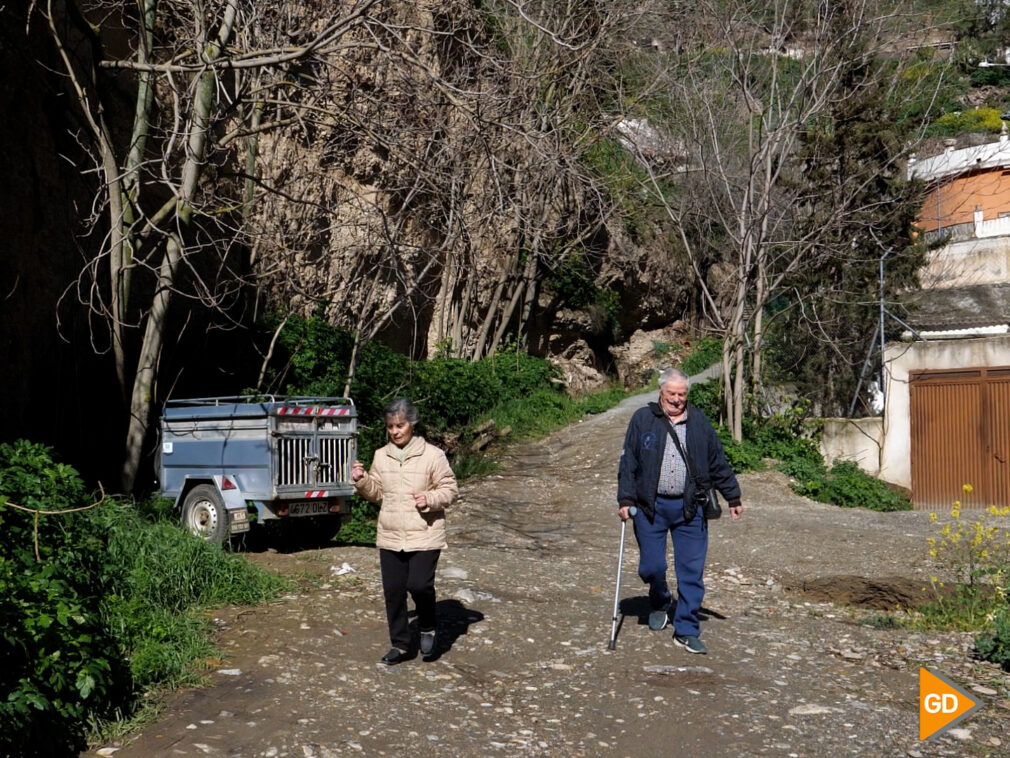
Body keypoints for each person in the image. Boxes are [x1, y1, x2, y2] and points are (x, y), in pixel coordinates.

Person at [617, 367, 743, 654]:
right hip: (651, 507)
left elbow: (717, 462)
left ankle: (685, 628)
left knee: (691, 570)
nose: (677, 399)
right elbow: (629, 464)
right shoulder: (643, 419)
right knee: (652, 566)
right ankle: (660, 598)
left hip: (691, 507)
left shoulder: (699, 422)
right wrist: (626, 500)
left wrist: (733, 497)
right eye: (671, 393)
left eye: (682, 394)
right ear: (661, 392)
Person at [351, 398, 459, 664]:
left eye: (399, 425)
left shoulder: (433, 455)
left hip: (425, 532)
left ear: (411, 424)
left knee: (419, 585)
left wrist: (430, 499)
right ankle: (400, 644)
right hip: (390, 533)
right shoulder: (380, 455)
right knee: (394, 591)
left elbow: (450, 490)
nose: (395, 431)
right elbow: (376, 493)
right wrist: (362, 480)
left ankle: (427, 626)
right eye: (390, 427)